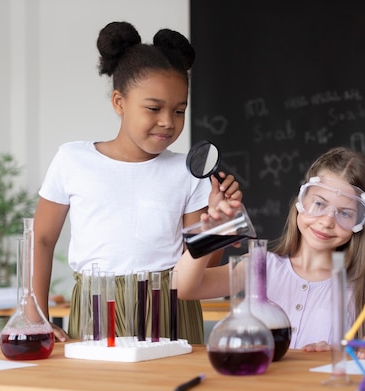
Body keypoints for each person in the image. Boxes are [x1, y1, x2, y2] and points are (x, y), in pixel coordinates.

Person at [33, 21, 241, 347]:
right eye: (153, 108)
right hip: (96, 309)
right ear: (119, 102)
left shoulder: (189, 172)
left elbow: (199, 268)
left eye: (179, 110)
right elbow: (42, 240)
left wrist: (215, 225)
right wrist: (36, 319)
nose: (168, 122)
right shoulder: (72, 159)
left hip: (171, 310)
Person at [175, 147, 365, 350]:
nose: (326, 221)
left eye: (344, 213)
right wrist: (212, 229)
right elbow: (182, 287)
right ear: (301, 201)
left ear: (359, 222)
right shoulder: (260, 267)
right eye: (319, 204)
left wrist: (345, 352)